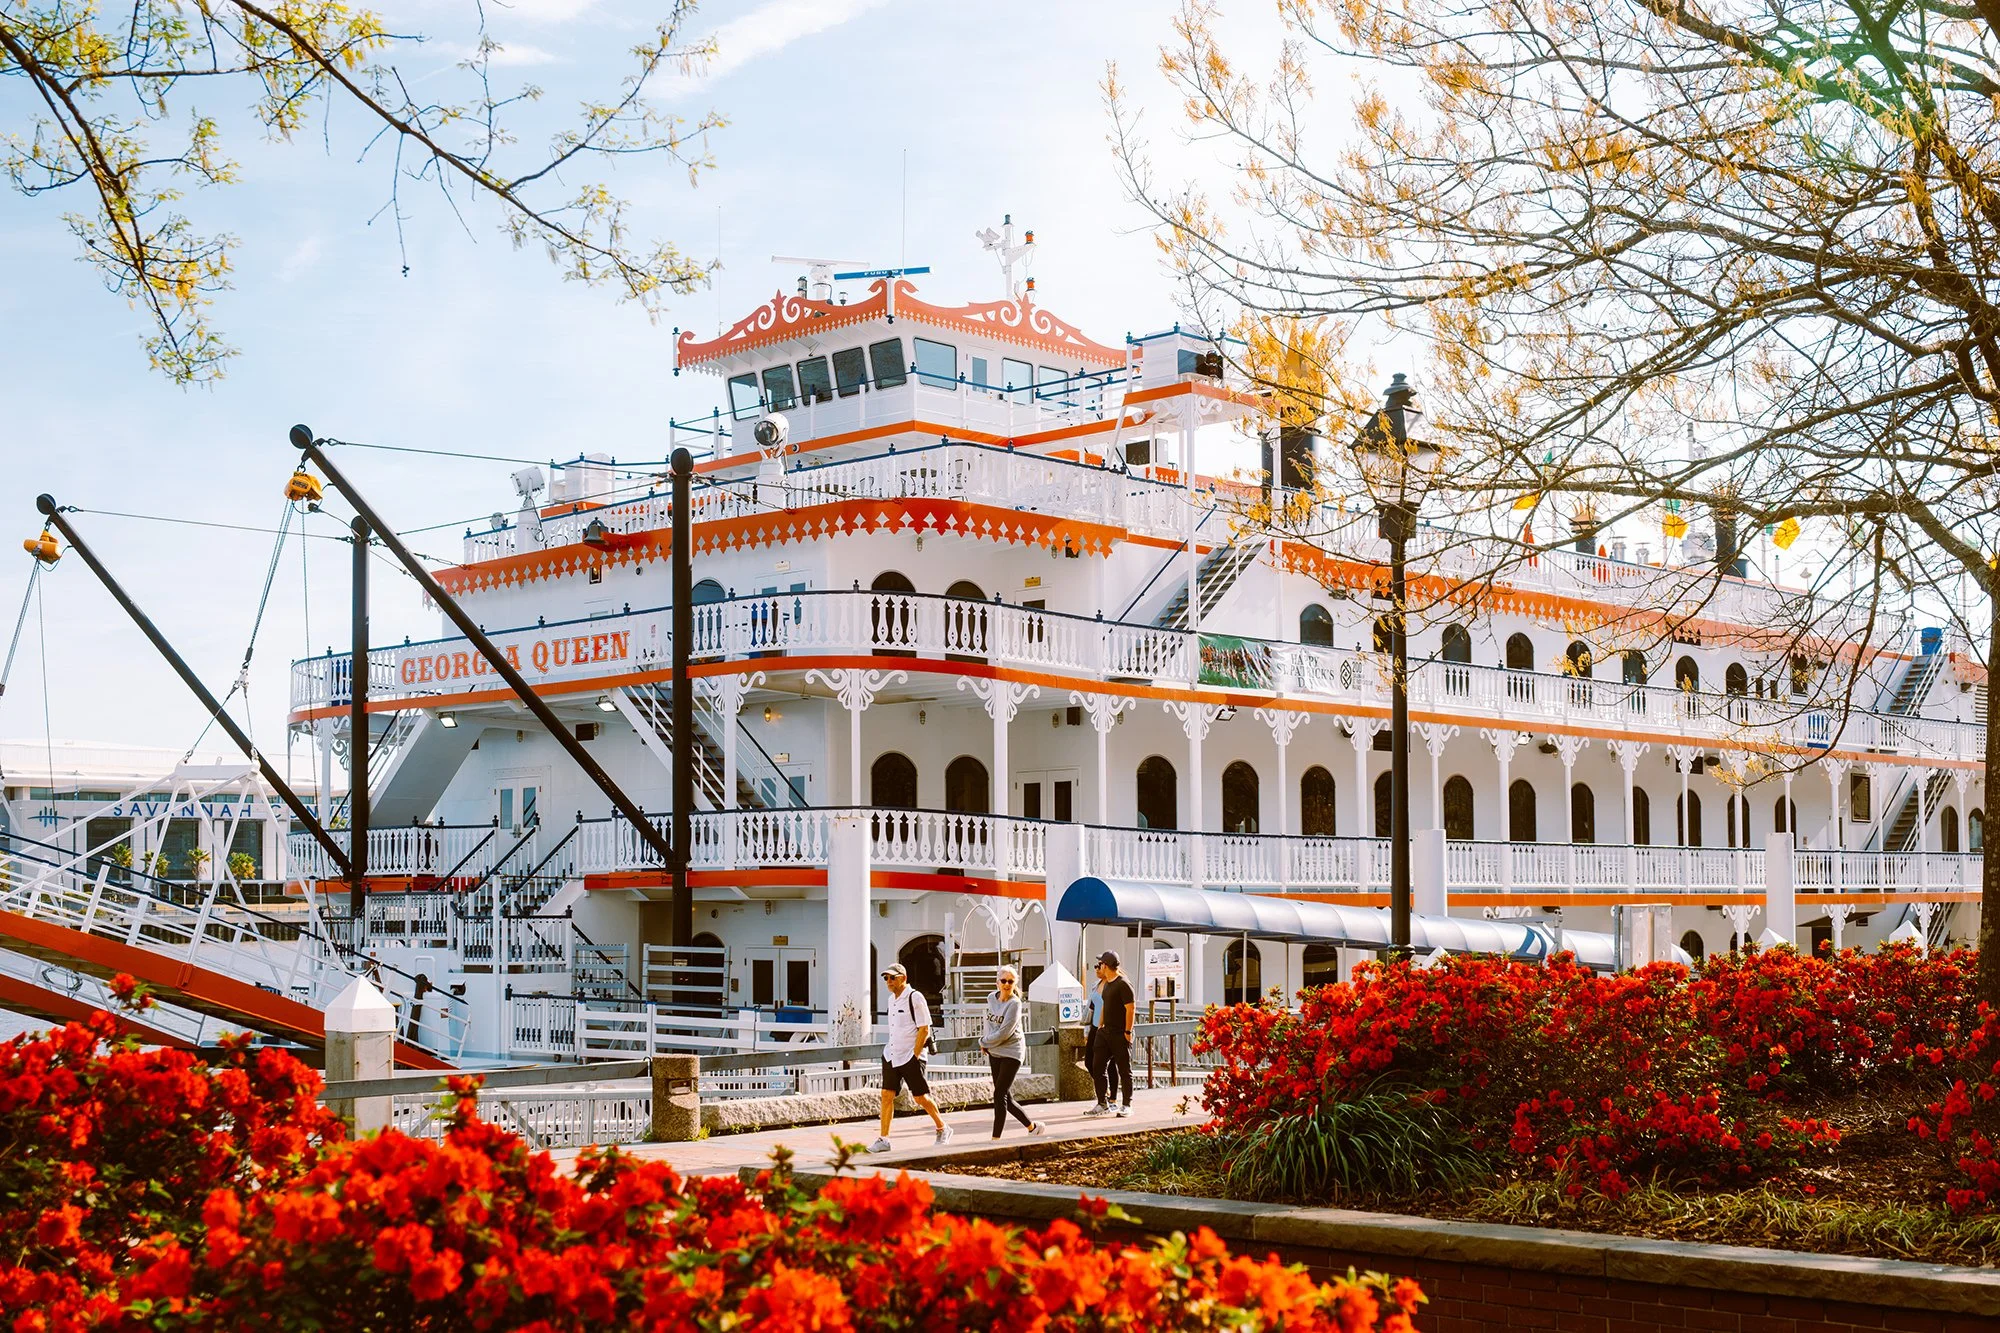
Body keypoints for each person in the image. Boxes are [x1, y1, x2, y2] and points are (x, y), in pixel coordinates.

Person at [870, 963, 951, 1152]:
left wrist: (914, 1055)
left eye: (892, 978)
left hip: (910, 1056)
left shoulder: (915, 997)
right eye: (886, 978)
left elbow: (924, 1028)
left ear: (903, 978)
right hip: (891, 1055)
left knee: (920, 1097)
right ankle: (884, 1139)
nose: (888, 981)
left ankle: (942, 1127)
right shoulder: (891, 1000)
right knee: (886, 1095)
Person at [980, 966, 1045, 1140]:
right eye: (1003, 981)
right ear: (997, 982)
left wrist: (983, 1042)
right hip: (995, 1051)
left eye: (1011, 981)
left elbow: (1004, 1032)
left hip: (1012, 1051)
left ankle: (995, 1139)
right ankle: (1032, 1127)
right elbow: (989, 1024)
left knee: (999, 1094)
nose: (1007, 984)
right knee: (1006, 1096)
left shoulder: (1015, 1003)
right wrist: (986, 1041)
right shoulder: (990, 999)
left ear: (1014, 983)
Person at [1083, 951, 1135, 1118]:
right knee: (1097, 1067)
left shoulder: (1123, 984)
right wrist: (1100, 1026)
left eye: (1100, 964)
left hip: (1120, 1033)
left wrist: (1128, 1031)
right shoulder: (1106, 984)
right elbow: (1104, 1005)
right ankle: (1102, 1103)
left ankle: (1127, 1104)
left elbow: (1131, 1009)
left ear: (1106, 966)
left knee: (1124, 1069)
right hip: (1104, 1033)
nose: (1099, 967)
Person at [1084, 969, 1110, 1111]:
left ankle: (1106, 1099)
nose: (1097, 968)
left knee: (1106, 1065)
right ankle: (1104, 1093)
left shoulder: (1114, 985)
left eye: (1100, 965)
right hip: (1095, 1027)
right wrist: (1087, 1030)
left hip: (1108, 1028)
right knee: (1089, 1062)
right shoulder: (1096, 984)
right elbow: (1091, 1008)